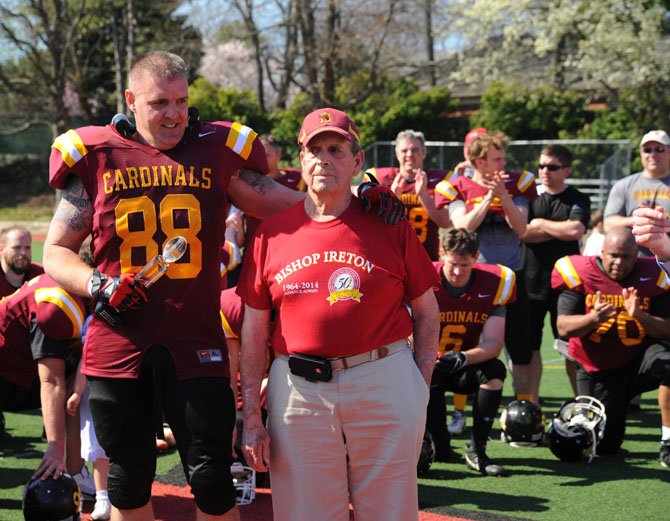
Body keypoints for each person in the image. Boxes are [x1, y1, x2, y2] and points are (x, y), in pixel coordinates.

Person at [42, 51, 399, 521]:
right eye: (159, 102)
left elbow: (295, 205)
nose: (173, 113)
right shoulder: (97, 154)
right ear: (130, 100)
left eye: (181, 101)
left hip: (196, 340)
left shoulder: (214, 151)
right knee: (127, 481)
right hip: (119, 339)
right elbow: (54, 253)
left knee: (212, 480)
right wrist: (99, 283)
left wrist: (355, 195)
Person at [238, 107, 439, 521]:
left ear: (357, 161)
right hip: (298, 386)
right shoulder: (271, 233)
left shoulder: (388, 222)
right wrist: (252, 416)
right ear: (302, 160)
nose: (324, 159)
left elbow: (426, 312)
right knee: (304, 512)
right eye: (314, 150)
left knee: (390, 511)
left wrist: (419, 386)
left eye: (336, 149)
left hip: (383, 374)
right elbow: (255, 330)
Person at [434, 131, 538, 402]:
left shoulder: (516, 184)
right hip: (473, 276)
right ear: (481, 163)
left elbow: (522, 228)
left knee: (519, 346)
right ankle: (459, 409)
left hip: (510, 277)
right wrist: (488, 198)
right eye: (497, 159)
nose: (504, 164)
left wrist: (503, 196)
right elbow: (463, 226)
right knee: (468, 345)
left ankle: (524, 405)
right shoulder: (457, 185)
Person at [552, 226, 670, 463]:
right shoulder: (581, 273)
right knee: (605, 446)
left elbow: (668, 329)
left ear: (636, 255)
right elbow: (563, 327)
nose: (619, 262)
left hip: (638, 360)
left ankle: (668, 439)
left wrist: (640, 315)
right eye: (613, 255)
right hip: (597, 369)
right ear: (602, 252)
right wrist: (593, 318)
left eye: (626, 256)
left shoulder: (653, 274)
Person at [427, 228, 513, 476]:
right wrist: (428, 357)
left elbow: (494, 343)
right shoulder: (425, 278)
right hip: (428, 366)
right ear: (442, 253)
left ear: (476, 257)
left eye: (464, 265)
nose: (457, 271)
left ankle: (478, 450)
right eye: (452, 263)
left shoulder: (493, 283)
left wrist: (463, 358)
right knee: (439, 452)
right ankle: (431, 441)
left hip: (463, 364)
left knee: (495, 371)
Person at [0, 273, 91, 483]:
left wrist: (79, 378)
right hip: (7, 372)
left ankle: (76, 473)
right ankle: (64, 460)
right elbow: (51, 381)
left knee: (83, 384)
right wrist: (55, 444)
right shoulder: (57, 302)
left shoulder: (68, 283)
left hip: (20, 368)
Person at [522, 145, 590, 399]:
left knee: (571, 345)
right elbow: (524, 233)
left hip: (567, 284)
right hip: (531, 281)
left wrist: (539, 224)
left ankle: (580, 401)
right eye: (541, 166)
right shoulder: (530, 197)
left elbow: (575, 231)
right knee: (531, 347)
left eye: (552, 167)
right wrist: (553, 229)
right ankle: (533, 404)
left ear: (566, 170)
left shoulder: (578, 198)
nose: (545, 171)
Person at [364, 129, 452, 260]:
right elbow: (369, 224)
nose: (410, 155)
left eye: (415, 150)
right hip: (389, 257)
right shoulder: (379, 178)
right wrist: (392, 197)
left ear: (424, 153)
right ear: (397, 154)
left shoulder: (440, 180)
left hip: (425, 258)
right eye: (404, 151)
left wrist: (423, 195)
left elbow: (446, 223)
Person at [604, 130, 670, 256]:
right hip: (634, 264)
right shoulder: (624, 185)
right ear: (641, 153)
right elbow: (608, 224)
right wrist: (638, 220)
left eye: (659, 149)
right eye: (647, 150)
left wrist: (661, 223)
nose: (653, 154)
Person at [0, 225, 44, 297]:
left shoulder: (41, 275)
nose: (23, 253)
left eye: (27, 248)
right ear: (1, 249)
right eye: (16, 247)